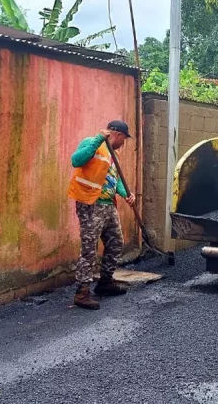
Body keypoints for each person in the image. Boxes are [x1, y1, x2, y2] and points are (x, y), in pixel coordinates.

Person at [68, 120, 136, 310]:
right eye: (123, 139)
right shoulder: (92, 143)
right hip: (91, 204)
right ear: (118, 135)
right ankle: (82, 293)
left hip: (108, 206)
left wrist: (126, 195)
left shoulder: (114, 155)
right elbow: (76, 160)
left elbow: (115, 181)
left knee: (116, 243)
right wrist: (98, 139)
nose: (123, 143)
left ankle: (105, 282)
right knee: (89, 248)